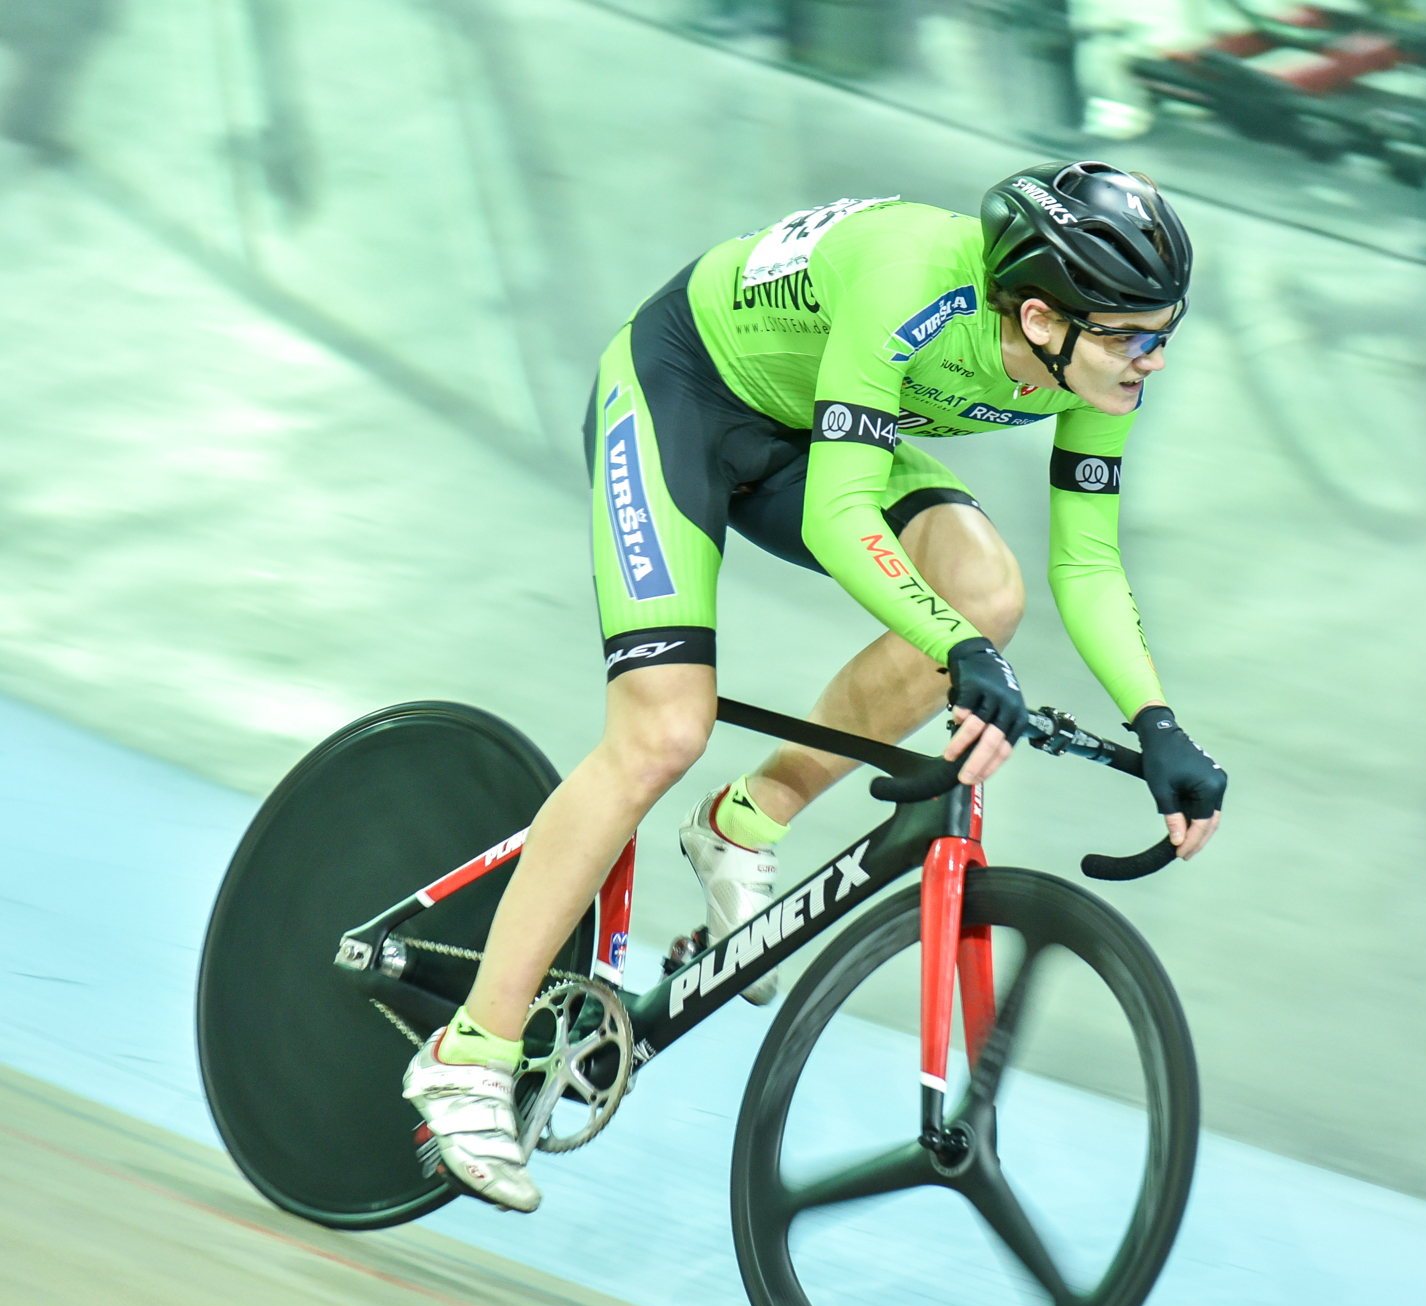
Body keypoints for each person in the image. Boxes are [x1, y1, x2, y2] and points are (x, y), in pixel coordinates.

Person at [403, 161, 1229, 1211]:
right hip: (682, 395)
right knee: (662, 732)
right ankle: (468, 1053)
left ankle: (743, 821)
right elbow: (843, 517)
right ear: (1039, 315)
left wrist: (1157, 722)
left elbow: (1089, 560)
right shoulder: (910, 280)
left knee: (987, 593)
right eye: (1135, 337)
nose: (1154, 359)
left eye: (1164, 332)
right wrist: (953, 648)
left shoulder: (1095, 363)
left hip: (812, 425)